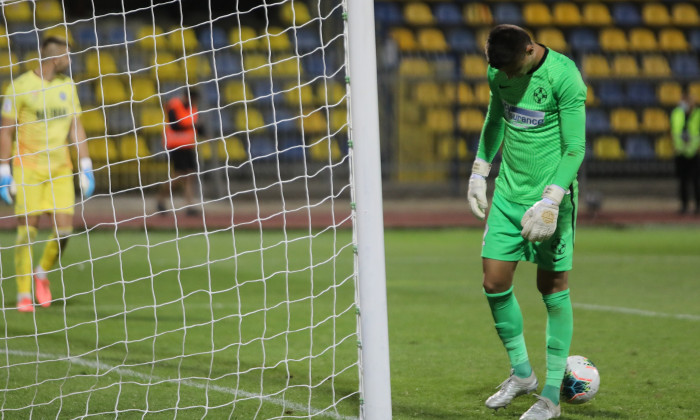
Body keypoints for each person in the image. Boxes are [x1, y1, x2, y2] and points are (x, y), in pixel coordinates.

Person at [467, 25, 586, 420]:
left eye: (511, 69)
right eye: (498, 70)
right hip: (507, 197)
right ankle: (523, 375)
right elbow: (494, 119)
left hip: (550, 201)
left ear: (530, 50)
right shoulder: (499, 71)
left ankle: (551, 394)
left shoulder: (564, 76)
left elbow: (575, 148)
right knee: (493, 282)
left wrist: (552, 200)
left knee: (552, 290)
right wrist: (479, 170)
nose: (505, 76)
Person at [0, 36, 94, 312]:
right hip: (28, 169)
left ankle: (41, 272)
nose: (71, 62)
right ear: (56, 59)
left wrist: (85, 164)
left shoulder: (68, 86)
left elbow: (76, 127)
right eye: (68, 57)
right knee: (26, 232)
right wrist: (4, 170)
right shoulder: (19, 87)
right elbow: (5, 131)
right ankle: (22, 294)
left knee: (64, 230)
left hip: (61, 169)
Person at [156, 90, 202, 216]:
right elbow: (174, 125)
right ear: (187, 97)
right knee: (178, 175)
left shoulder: (193, 108)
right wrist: (192, 126)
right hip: (176, 145)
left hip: (188, 145)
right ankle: (160, 199)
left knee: (189, 175)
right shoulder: (174, 105)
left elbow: (194, 126)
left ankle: (189, 205)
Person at [670, 94, 700, 214]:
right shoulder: (677, 113)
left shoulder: (698, 114)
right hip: (680, 152)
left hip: (694, 152)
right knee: (682, 181)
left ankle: (698, 206)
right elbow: (673, 130)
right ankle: (684, 205)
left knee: (696, 181)